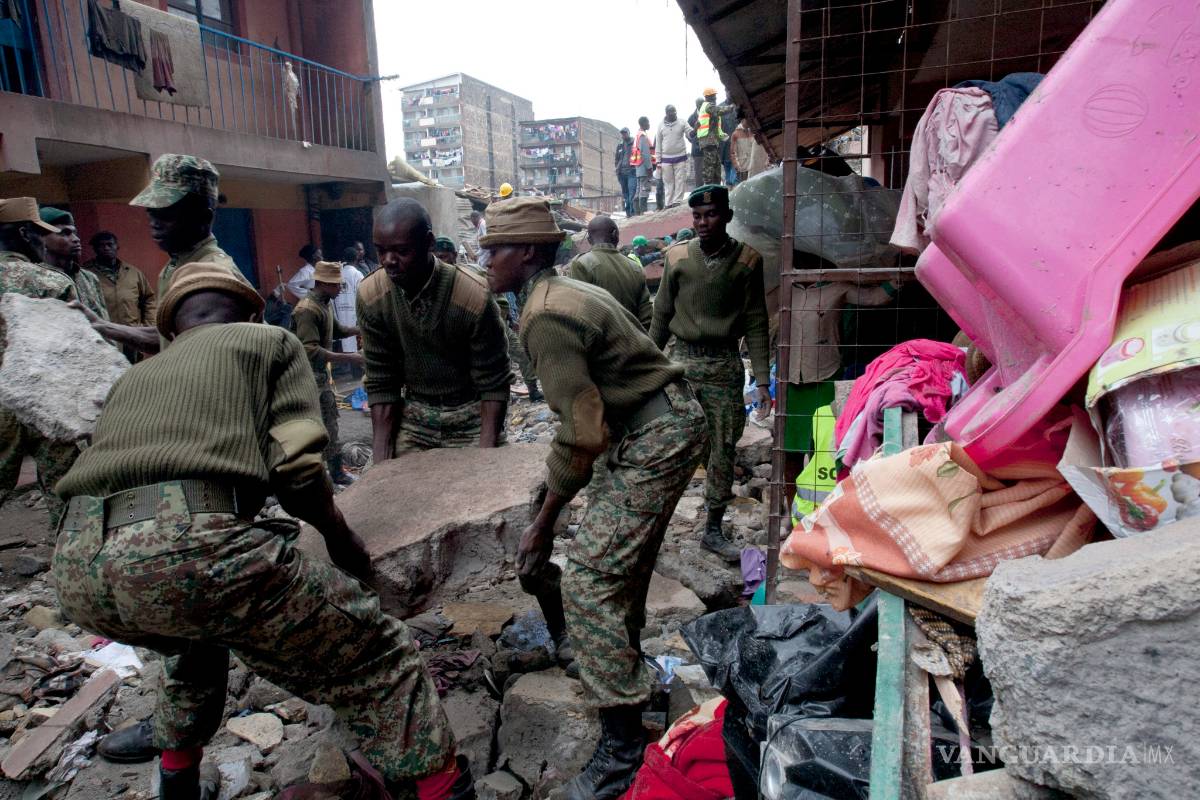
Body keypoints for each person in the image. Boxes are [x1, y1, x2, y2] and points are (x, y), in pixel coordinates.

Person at [52, 262, 473, 800]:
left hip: (78, 566)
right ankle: (444, 790)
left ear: (172, 327)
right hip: (190, 550)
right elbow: (296, 468)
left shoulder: (136, 374)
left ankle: (177, 781)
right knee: (382, 652)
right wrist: (342, 540)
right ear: (252, 310)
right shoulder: (268, 340)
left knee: (192, 640)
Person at [481, 198, 707, 800]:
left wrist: (545, 522)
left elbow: (581, 431)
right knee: (615, 566)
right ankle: (615, 666)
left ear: (526, 252)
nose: (484, 261)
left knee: (588, 581)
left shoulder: (545, 314)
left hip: (654, 436)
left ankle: (621, 751)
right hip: (657, 426)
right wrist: (548, 502)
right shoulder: (563, 289)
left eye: (493, 250)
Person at [650, 185, 771, 562]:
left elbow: (756, 321)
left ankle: (713, 530)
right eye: (698, 216)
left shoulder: (748, 261)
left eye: (712, 215)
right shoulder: (678, 258)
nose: (703, 222)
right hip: (680, 366)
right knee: (668, 446)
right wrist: (645, 366)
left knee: (722, 448)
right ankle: (651, 529)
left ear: (727, 217)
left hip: (723, 368)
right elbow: (662, 314)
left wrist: (763, 380)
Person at [358, 198, 512, 460]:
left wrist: (487, 460)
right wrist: (382, 466)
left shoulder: (472, 296)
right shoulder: (372, 295)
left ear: (428, 243)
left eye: (401, 251)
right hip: (416, 417)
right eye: (380, 251)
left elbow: (494, 382)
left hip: (471, 414)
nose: (388, 261)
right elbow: (382, 381)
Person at [81, 154, 250, 355]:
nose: (154, 222)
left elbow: (204, 365)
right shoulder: (179, 264)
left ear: (204, 217)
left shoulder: (209, 278)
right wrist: (104, 326)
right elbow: (169, 338)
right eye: (151, 212)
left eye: (166, 214)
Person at [0, 198, 80, 527]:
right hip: (49, 401)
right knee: (67, 490)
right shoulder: (51, 283)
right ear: (24, 233)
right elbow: (78, 350)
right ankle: (69, 560)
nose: (42, 242)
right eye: (38, 234)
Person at [291, 260, 364, 486]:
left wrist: (363, 328)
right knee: (317, 429)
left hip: (321, 377)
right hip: (307, 378)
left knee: (331, 424)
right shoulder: (307, 310)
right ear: (323, 283)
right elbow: (310, 349)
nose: (340, 289)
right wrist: (350, 357)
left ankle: (335, 473)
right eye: (336, 285)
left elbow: (338, 330)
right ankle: (318, 477)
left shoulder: (324, 304)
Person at [566, 216, 652, 331]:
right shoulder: (635, 268)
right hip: (633, 343)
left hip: (599, 346)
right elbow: (647, 317)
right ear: (615, 234)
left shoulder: (581, 265)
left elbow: (578, 316)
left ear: (589, 240)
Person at [83, 231, 156, 351]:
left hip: (132, 335)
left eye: (109, 244)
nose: (106, 248)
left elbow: (149, 300)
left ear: (117, 247)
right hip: (104, 337)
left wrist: (148, 327)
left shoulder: (133, 273)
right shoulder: (86, 274)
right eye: (101, 245)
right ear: (95, 249)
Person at [38, 208, 108, 321]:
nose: (76, 239)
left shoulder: (89, 278)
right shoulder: (36, 279)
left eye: (74, 233)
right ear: (42, 239)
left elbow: (104, 321)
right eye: (65, 233)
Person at [331, 246, 364, 379]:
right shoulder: (357, 274)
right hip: (354, 314)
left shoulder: (338, 274)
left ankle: (354, 372)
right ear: (356, 257)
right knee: (357, 344)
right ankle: (358, 374)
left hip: (340, 313)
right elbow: (362, 296)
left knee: (347, 343)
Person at [655, 105, 693, 208]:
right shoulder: (660, 126)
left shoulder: (682, 122)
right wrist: (658, 161)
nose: (674, 114)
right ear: (666, 113)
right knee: (668, 182)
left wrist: (695, 131)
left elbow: (690, 133)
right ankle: (669, 202)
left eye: (675, 112)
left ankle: (677, 201)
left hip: (680, 156)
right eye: (671, 113)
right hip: (665, 159)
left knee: (680, 180)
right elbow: (658, 144)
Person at [694, 89, 729, 186]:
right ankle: (708, 190)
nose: (715, 98)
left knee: (716, 167)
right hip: (708, 142)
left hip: (712, 142)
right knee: (710, 167)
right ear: (708, 97)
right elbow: (720, 110)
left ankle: (716, 187)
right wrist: (732, 107)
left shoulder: (707, 107)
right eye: (713, 96)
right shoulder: (708, 106)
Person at [631, 117, 655, 216]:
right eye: (648, 122)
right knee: (644, 189)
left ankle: (637, 212)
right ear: (644, 123)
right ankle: (643, 211)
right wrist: (649, 168)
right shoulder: (643, 136)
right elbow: (645, 153)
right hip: (644, 167)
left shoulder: (637, 135)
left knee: (639, 189)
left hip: (638, 166)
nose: (649, 124)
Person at [614, 128, 636, 217]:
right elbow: (616, 159)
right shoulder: (619, 145)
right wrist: (617, 168)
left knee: (632, 193)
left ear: (629, 133)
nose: (624, 135)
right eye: (622, 134)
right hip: (621, 173)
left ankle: (632, 213)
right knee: (625, 195)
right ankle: (628, 214)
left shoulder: (634, 143)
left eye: (625, 133)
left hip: (631, 172)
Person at [730, 117, 754, 184]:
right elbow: (733, 152)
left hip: (753, 166)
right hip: (743, 168)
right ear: (742, 120)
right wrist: (737, 166)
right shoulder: (735, 134)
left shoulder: (753, 131)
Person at [686, 98, 704, 188]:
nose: (701, 106)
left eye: (703, 103)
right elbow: (688, 134)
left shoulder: (708, 115)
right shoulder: (691, 118)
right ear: (696, 105)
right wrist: (694, 141)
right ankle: (700, 197)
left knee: (710, 175)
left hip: (709, 149)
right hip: (698, 151)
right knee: (699, 176)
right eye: (700, 104)